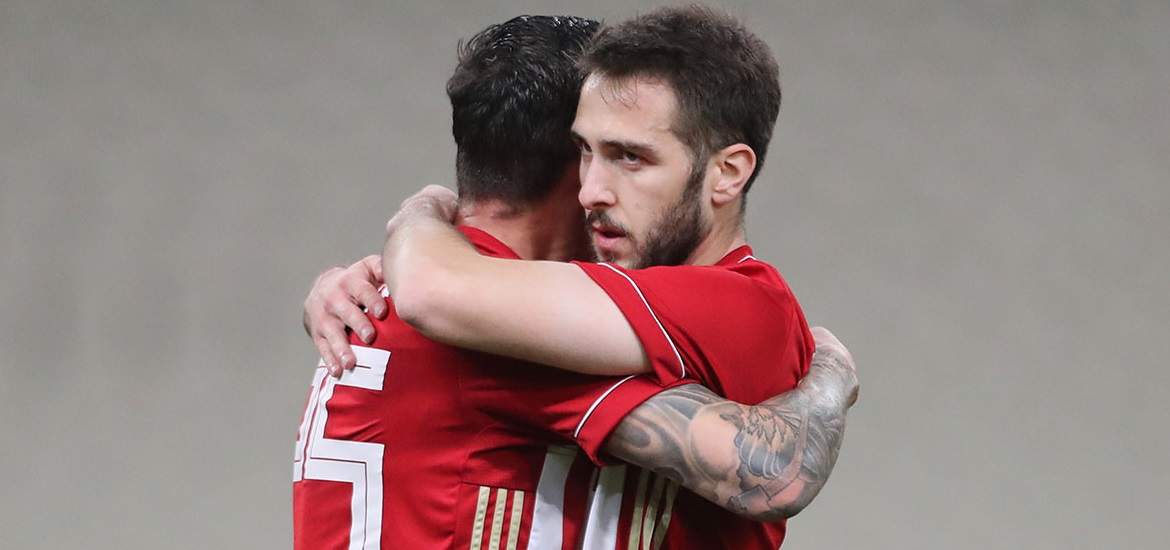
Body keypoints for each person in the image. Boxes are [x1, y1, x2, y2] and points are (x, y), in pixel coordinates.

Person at [300, 9, 857, 550]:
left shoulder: (396, 305)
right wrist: (830, 372)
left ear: (727, 172)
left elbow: (433, 289)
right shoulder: (475, 320)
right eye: (586, 152)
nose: (593, 191)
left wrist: (420, 213)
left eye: (629, 156)